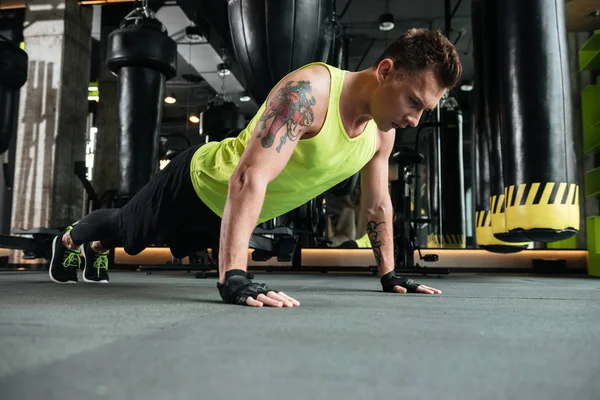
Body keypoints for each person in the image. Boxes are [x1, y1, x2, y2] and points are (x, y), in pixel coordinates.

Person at [49, 28, 462, 308]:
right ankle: (70, 241)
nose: (414, 120)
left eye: (423, 110)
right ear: (386, 71)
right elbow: (250, 176)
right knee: (127, 227)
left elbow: (377, 207)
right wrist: (234, 276)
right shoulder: (311, 93)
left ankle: (99, 248)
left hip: (230, 216)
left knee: (133, 240)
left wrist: (390, 274)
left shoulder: (380, 134)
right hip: (199, 182)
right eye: (412, 102)